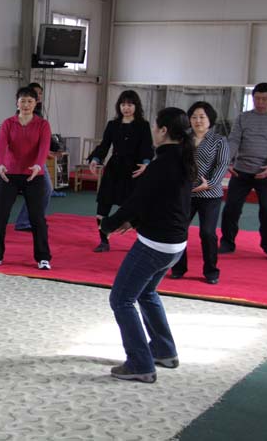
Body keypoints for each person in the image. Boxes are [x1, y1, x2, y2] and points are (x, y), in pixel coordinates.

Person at [100, 107, 196, 383]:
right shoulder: (182, 159)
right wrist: (134, 222)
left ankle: (140, 364)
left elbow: (137, 201)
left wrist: (109, 224)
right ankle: (164, 350)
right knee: (146, 292)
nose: (153, 131)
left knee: (121, 299)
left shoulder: (162, 164)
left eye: (155, 126)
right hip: (175, 244)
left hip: (156, 245)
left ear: (164, 130)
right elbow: (162, 201)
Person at [219, 82, 267, 260]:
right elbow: (234, 140)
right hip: (241, 171)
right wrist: (227, 161)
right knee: (231, 208)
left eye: (264, 99)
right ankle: (227, 242)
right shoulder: (243, 118)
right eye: (257, 98)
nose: (260, 102)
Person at [0, 87, 52, 270]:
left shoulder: (43, 124)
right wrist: (1, 164)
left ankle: (43, 257)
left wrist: (38, 165)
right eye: (23, 101)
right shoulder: (8, 123)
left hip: (33, 175)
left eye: (30, 101)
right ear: (17, 103)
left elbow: (44, 147)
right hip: (10, 175)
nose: (26, 105)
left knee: (37, 217)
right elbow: (1, 145)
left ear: (36, 103)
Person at [170, 102, 230, 284]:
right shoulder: (183, 139)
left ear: (210, 119)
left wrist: (209, 184)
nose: (198, 121)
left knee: (207, 233)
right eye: (194, 117)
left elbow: (222, 164)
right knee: (179, 230)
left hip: (210, 195)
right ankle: (178, 268)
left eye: (202, 117)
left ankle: (211, 271)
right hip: (186, 193)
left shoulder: (219, 140)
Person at [87, 90, 153, 252]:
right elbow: (104, 145)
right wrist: (96, 159)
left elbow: (147, 147)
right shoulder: (113, 125)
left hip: (134, 171)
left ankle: (144, 242)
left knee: (136, 207)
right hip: (114, 169)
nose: (126, 108)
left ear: (136, 106)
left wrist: (146, 163)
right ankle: (104, 241)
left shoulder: (143, 125)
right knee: (103, 204)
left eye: (130, 104)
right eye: (123, 104)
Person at [14, 83, 53, 232]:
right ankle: (26, 221)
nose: (38, 96)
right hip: (25, 161)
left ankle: (32, 220)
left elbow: (43, 139)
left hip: (38, 160)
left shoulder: (40, 116)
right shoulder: (19, 117)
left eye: (39, 94)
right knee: (45, 189)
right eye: (25, 100)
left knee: (45, 190)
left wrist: (46, 152)